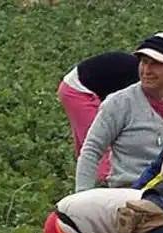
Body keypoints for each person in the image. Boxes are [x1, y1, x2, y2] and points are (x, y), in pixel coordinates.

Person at [76, 33, 163, 190]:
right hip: (127, 193)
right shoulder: (118, 103)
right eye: (144, 62)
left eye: (155, 64)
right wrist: (81, 195)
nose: (146, 70)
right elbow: (91, 150)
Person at [59, 50, 141, 183]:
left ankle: (86, 177)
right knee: (98, 142)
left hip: (74, 86)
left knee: (86, 142)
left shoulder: (136, 67)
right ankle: (103, 184)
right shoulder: (137, 74)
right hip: (78, 91)